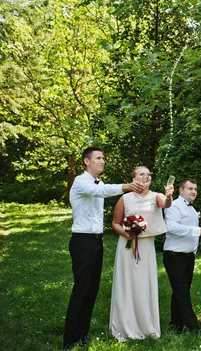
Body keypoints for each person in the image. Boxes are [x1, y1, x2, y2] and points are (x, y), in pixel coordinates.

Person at [63, 147, 145, 350]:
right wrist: (127, 186)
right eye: (98, 158)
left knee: (92, 290)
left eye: (103, 158)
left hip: (96, 242)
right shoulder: (81, 182)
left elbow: (102, 189)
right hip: (82, 242)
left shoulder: (98, 182)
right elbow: (101, 191)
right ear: (86, 162)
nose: (103, 161)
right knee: (82, 290)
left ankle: (82, 334)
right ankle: (69, 340)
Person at [109, 166, 174, 341]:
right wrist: (125, 233)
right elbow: (115, 223)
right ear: (134, 178)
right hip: (127, 246)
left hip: (146, 247)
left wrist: (169, 195)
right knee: (127, 284)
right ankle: (125, 324)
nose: (146, 177)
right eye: (141, 174)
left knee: (144, 284)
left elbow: (166, 204)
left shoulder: (156, 196)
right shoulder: (125, 198)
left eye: (148, 175)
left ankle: (146, 325)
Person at [163, 179, 201, 334]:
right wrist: (198, 231)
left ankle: (176, 325)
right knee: (182, 293)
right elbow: (171, 228)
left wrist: (194, 251)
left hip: (188, 256)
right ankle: (193, 328)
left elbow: (187, 230)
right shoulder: (174, 206)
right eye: (190, 188)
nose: (194, 191)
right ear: (181, 190)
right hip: (174, 256)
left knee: (180, 291)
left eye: (195, 189)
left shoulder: (191, 208)